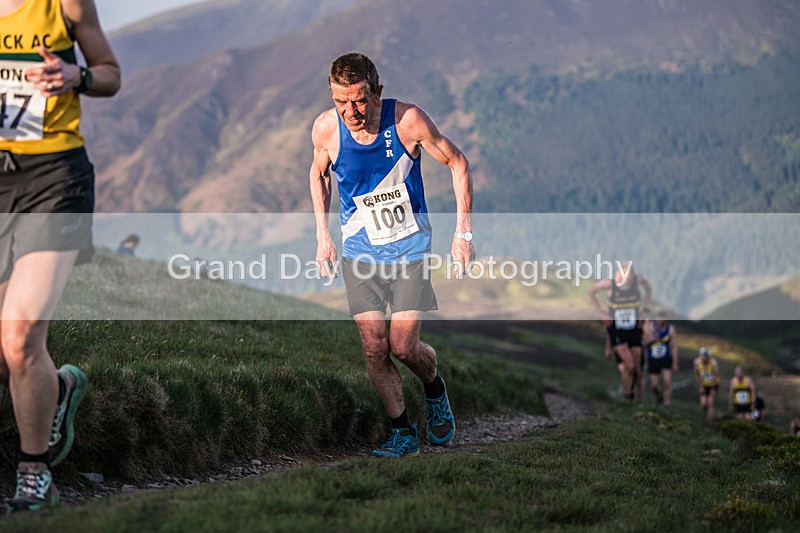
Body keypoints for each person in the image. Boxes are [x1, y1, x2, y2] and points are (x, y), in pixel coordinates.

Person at [310, 52, 473, 458]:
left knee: (403, 346)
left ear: (377, 91)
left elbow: (457, 162)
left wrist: (463, 234)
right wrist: (322, 236)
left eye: (360, 100)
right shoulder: (326, 129)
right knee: (374, 347)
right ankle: (402, 432)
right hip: (359, 250)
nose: (350, 111)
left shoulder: (407, 121)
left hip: (408, 248)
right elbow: (317, 173)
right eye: (340, 101)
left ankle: (434, 387)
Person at [0, 0, 120, 513]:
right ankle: (62, 388)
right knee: (5, 359)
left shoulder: (65, 3)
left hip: (54, 177)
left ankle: (35, 475)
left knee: (21, 335)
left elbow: (111, 76)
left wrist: (77, 75)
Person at [589, 262, 652, 402]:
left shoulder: (639, 281)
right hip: (617, 330)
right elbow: (591, 290)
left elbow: (649, 290)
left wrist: (645, 311)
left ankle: (634, 395)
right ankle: (626, 396)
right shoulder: (609, 284)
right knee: (628, 365)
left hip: (634, 327)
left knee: (637, 370)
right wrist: (601, 313)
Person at [643, 316, 678, 407]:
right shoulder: (649, 326)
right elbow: (643, 342)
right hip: (653, 359)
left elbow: (674, 347)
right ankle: (659, 396)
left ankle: (667, 403)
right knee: (654, 385)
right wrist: (651, 340)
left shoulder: (670, 329)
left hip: (666, 358)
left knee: (667, 382)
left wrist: (675, 363)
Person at [693, 347, 719, 424]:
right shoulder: (697, 362)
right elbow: (696, 374)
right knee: (703, 404)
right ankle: (708, 414)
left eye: (705, 356)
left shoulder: (713, 363)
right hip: (703, 385)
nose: (703, 358)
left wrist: (713, 389)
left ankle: (710, 421)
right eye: (702, 356)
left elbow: (716, 376)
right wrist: (700, 386)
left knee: (710, 403)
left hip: (712, 385)